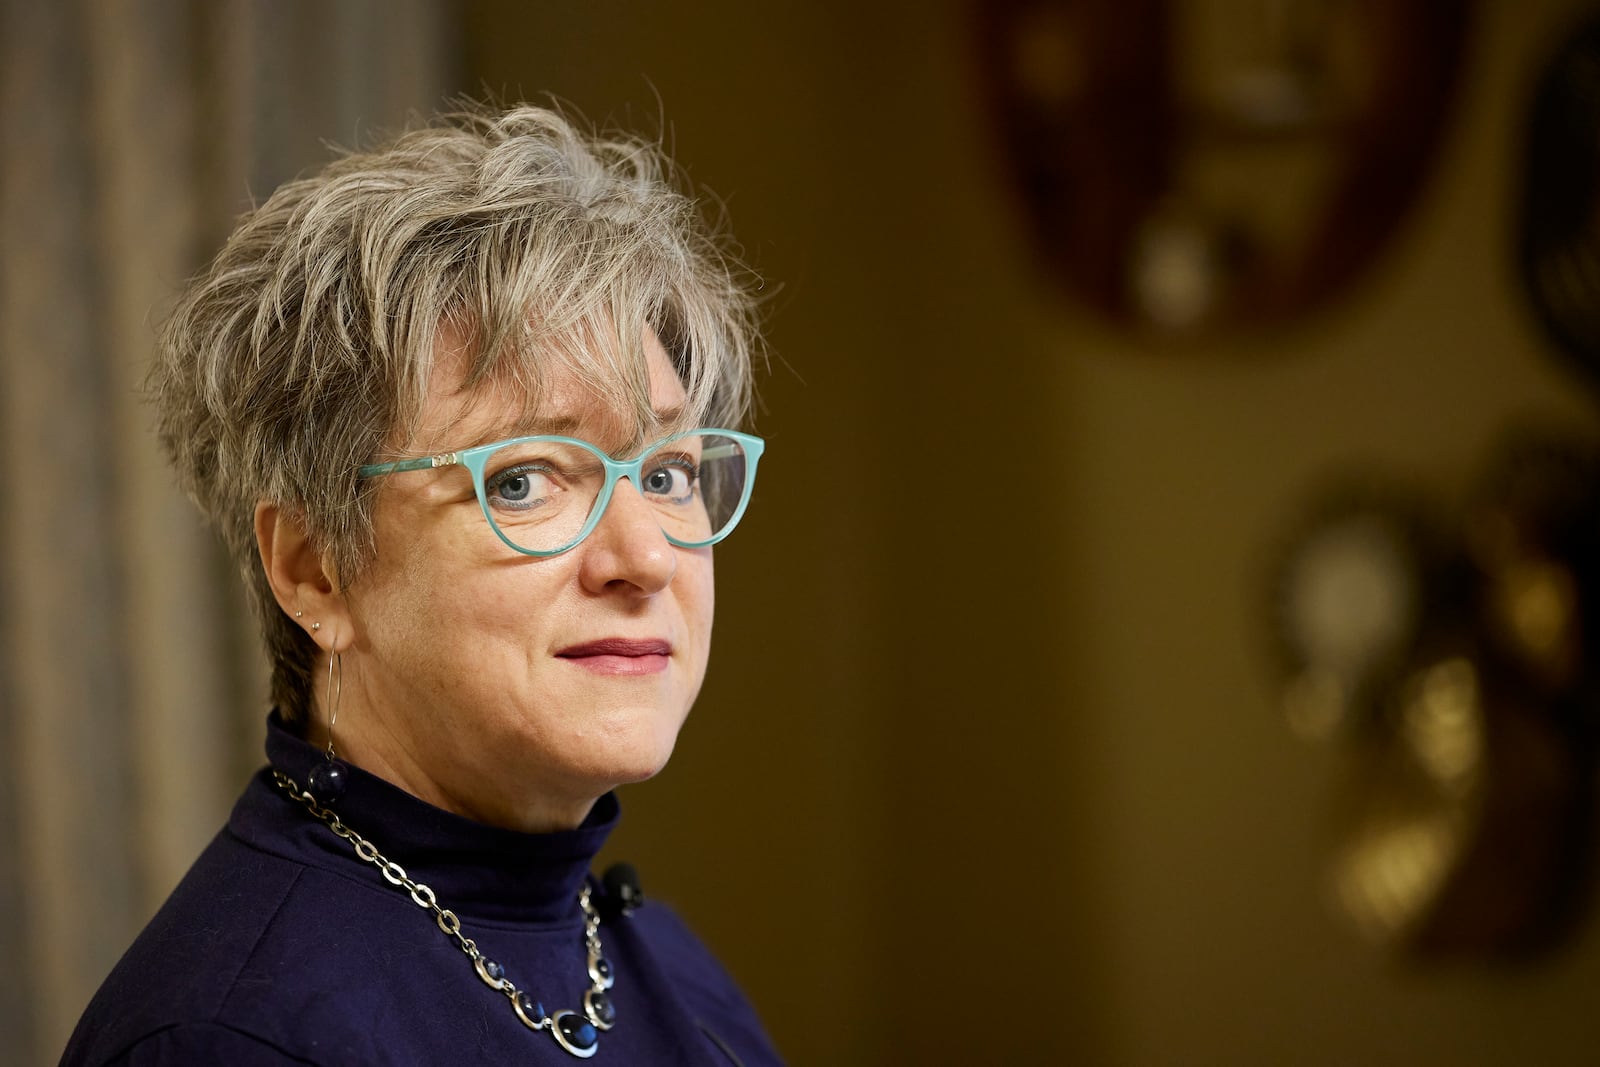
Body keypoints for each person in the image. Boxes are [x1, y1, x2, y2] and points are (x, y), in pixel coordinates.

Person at [61, 103, 781, 1066]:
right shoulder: (227, 1038)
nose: (645, 558)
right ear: (315, 569)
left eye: (666, 473)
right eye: (523, 479)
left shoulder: (671, 970)